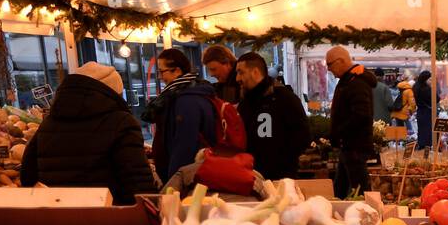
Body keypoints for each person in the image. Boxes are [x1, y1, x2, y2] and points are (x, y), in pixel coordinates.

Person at [20, 61, 157, 203]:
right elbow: (137, 180)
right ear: (114, 93)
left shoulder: (48, 124)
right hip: (105, 217)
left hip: (59, 216)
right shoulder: (122, 122)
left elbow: (27, 175)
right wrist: (149, 212)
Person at [143, 47, 217, 182]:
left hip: (187, 178)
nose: (159, 77)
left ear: (177, 71)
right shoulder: (177, 96)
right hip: (186, 174)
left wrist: (174, 181)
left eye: (161, 72)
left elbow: (184, 145)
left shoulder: (187, 100)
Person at [235, 52, 311, 181]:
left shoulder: (285, 98)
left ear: (255, 72)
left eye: (241, 72)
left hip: (281, 177)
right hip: (250, 175)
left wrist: (283, 160)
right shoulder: (245, 103)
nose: (237, 78)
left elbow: (303, 136)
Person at [327, 46, 378, 197]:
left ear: (341, 61)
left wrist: (339, 131)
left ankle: (365, 216)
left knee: (360, 190)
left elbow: (362, 114)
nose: (329, 69)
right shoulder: (349, 80)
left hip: (354, 145)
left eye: (330, 64)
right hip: (349, 145)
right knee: (342, 188)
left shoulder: (356, 83)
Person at [414, 70, 434, 149]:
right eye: (430, 79)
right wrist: (431, 87)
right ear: (425, 79)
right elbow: (437, 98)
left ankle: (421, 149)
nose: (431, 81)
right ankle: (426, 152)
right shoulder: (426, 89)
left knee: (422, 132)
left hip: (420, 112)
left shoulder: (416, 86)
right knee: (427, 133)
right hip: (427, 112)